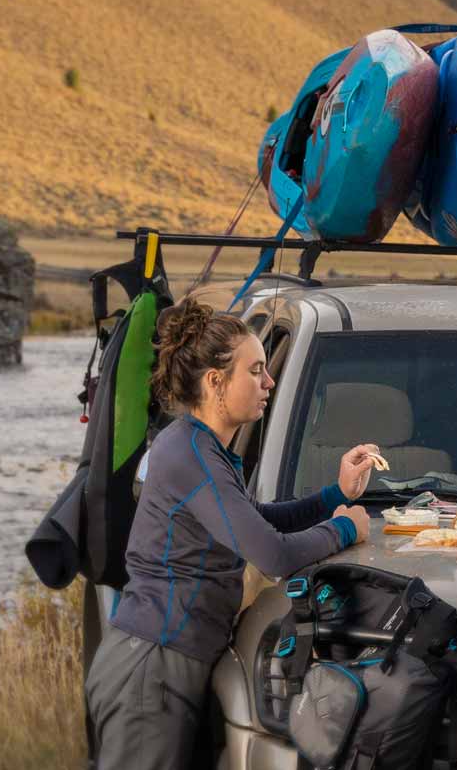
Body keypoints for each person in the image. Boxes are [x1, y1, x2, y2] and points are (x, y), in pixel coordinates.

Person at [86, 299, 380, 769]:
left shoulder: (201, 447)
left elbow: (254, 518)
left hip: (165, 663)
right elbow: (272, 554)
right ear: (215, 382)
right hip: (151, 670)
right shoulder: (191, 455)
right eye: (257, 371)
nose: (269, 382)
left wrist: (333, 495)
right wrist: (344, 527)